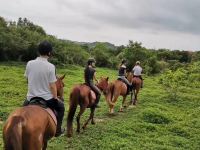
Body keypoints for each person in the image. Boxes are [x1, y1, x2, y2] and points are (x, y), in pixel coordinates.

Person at [23, 41, 65, 137]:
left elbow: (28, 80)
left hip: (30, 98)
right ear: (49, 53)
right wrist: (55, 97)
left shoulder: (29, 63)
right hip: (46, 98)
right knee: (61, 107)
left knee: (22, 110)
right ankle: (58, 130)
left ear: (38, 51)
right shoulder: (51, 66)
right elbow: (52, 86)